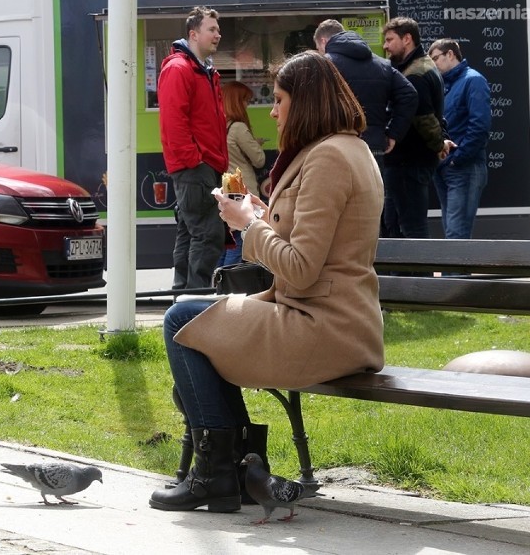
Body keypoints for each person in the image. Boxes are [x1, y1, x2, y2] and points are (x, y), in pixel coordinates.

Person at [148, 51, 385, 513]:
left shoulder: (329, 158)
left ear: (307, 103)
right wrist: (259, 214)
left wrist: (246, 227)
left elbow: (299, 268)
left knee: (181, 319)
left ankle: (219, 474)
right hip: (329, 318)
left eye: (279, 100)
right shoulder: (343, 148)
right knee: (195, 321)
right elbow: (312, 244)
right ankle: (234, 471)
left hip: (323, 327)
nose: (272, 111)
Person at [314, 19, 417, 237]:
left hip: (334, 148)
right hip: (373, 145)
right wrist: (393, 133)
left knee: (337, 209)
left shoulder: (324, 65)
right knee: (372, 209)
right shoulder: (382, 64)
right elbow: (409, 95)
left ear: (324, 41)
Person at [158, 6, 229, 289]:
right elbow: (173, 122)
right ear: (193, 34)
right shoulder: (180, 69)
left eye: (218, 29)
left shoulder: (203, 71)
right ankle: (195, 303)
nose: (218, 35)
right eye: (212, 29)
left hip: (203, 166)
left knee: (190, 234)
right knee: (208, 235)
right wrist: (194, 161)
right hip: (196, 167)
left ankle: (183, 303)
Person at [381, 17, 448, 238]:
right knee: (399, 225)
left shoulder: (415, 75)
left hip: (408, 162)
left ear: (407, 39)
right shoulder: (423, 66)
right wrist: (441, 141)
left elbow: (425, 118)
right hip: (411, 162)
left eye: (390, 40)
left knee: (412, 229)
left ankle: (418, 274)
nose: (385, 46)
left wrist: (439, 144)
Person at [427, 38, 491, 239]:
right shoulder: (444, 85)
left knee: (456, 234)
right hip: (445, 166)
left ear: (450, 54)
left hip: (463, 167)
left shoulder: (473, 80)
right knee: (451, 233)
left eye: (435, 58)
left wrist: (457, 158)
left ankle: (456, 272)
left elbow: (480, 126)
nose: (433, 64)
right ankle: (455, 271)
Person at [217, 81, 267, 266]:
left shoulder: (219, 126)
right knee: (239, 243)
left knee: (227, 245)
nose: (247, 105)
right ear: (237, 102)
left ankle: (217, 283)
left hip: (225, 190)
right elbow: (259, 159)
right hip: (243, 191)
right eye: (245, 101)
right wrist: (255, 144)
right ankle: (230, 285)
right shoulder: (238, 127)